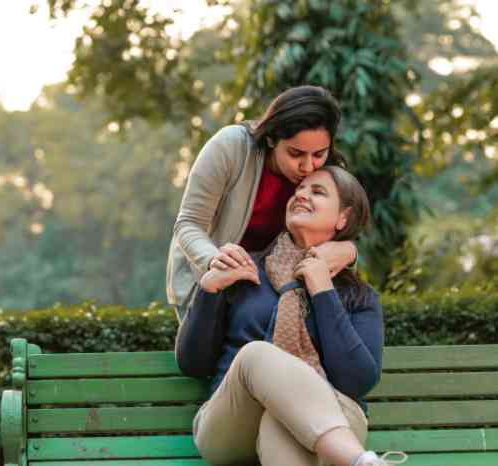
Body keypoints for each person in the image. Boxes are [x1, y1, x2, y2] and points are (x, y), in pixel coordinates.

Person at [175, 166, 407, 466]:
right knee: (256, 355)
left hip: (335, 414)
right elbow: (193, 363)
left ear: (343, 218)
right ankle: (359, 461)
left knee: (280, 421)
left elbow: (357, 380)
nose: (302, 195)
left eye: (318, 191)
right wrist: (208, 290)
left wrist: (323, 291)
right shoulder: (241, 269)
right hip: (232, 424)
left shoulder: (358, 296)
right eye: (300, 190)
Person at [167, 85, 359, 322]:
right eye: (295, 154)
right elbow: (188, 223)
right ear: (270, 138)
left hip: (281, 293)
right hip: (213, 285)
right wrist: (215, 261)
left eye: (319, 154)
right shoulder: (231, 147)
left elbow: (339, 226)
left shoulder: (328, 171)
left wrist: (350, 250)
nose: (308, 167)